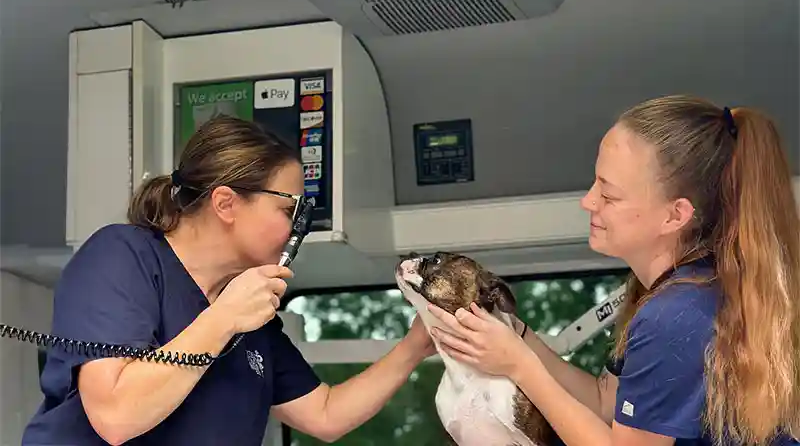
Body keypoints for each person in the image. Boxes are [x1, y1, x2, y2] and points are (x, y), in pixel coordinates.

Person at [22, 116, 435, 445]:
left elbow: (324, 414)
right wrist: (224, 318)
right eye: (289, 210)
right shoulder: (123, 257)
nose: (298, 230)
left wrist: (415, 346)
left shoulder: (250, 315)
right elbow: (115, 416)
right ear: (226, 203)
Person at [427, 95, 800, 446]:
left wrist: (521, 367)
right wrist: (517, 335)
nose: (587, 201)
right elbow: (607, 402)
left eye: (608, 194)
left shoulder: (674, 315)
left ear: (675, 215)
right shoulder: (679, 291)